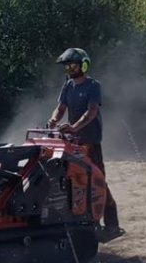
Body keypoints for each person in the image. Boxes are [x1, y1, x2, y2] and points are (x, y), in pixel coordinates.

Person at [47, 47, 123, 242]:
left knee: (97, 182)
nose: (70, 69)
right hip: (73, 143)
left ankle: (112, 225)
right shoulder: (68, 86)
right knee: (75, 182)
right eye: (67, 66)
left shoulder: (93, 86)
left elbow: (91, 112)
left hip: (90, 142)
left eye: (72, 65)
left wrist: (74, 127)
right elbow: (60, 107)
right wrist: (54, 120)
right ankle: (83, 222)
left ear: (84, 65)